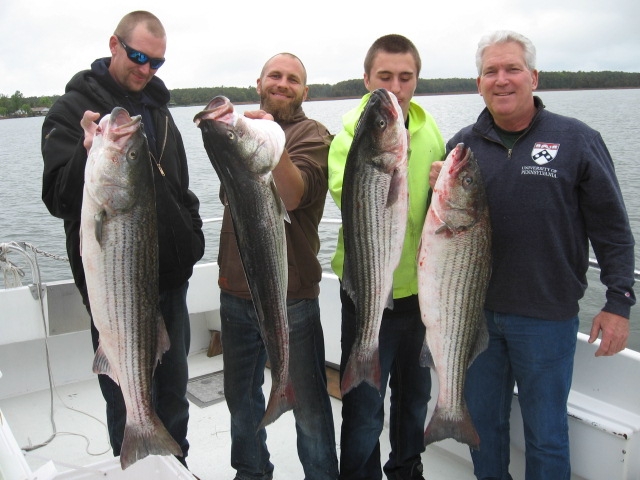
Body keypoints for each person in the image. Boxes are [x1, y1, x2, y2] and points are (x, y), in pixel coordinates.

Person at [436, 30, 636, 480]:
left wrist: (618, 302)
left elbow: (613, 230)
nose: (501, 80)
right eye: (491, 71)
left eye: (512, 69)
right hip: (474, 316)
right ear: (479, 83)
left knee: (546, 433)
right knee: (483, 427)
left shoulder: (577, 139)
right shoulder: (461, 148)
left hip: (546, 318)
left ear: (534, 77)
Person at [41, 11, 205, 468]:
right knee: (125, 401)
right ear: (113, 44)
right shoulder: (70, 111)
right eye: (137, 56)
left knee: (173, 397)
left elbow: (180, 187)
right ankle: (135, 464)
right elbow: (57, 196)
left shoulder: (160, 112)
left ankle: (176, 468)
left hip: (168, 282)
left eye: (157, 62)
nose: (146, 69)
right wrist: (84, 154)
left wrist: (192, 240)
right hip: (113, 289)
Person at [328, 34, 445, 480]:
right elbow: (344, 189)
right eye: (385, 77)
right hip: (367, 286)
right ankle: (358, 474)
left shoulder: (429, 126)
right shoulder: (350, 133)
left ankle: (405, 468)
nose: (395, 87)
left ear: (416, 78)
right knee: (365, 402)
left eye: (405, 76)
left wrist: (440, 180)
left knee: (414, 395)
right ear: (367, 79)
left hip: (422, 292)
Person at [218, 53, 339, 480]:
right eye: (275, 75)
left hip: (292, 297)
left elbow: (291, 196)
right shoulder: (240, 133)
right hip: (235, 289)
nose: (283, 83)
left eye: (293, 79)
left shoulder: (313, 134)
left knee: (308, 405)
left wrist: (268, 141)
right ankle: (251, 473)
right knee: (241, 398)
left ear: (304, 92)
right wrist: (243, 135)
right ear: (259, 82)